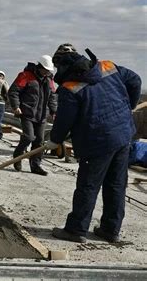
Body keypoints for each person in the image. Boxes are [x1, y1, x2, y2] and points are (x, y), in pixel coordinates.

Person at [48, 44, 141, 243]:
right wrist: (128, 107)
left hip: (97, 141)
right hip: (123, 136)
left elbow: (64, 120)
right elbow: (135, 80)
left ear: (62, 65)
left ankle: (75, 230)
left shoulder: (70, 88)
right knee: (116, 185)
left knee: (88, 186)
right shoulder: (107, 66)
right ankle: (110, 230)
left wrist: (54, 140)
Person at [8, 55, 57, 176]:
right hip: (27, 113)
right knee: (29, 137)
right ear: (40, 67)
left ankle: (35, 165)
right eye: (45, 69)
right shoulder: (25, 76)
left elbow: (53, 96)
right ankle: (17, 157)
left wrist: (54, 111)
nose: (47, 72)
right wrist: (16, 106)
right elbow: (13, 91)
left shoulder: (49, 80)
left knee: (39, 141)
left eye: (48, 70)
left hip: (42, 115)